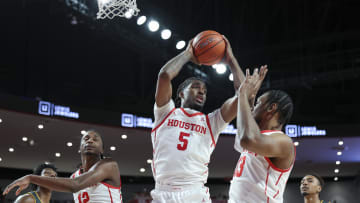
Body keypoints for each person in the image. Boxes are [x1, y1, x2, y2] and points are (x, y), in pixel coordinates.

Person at [150, 35, 256, 203]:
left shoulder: (212, 122)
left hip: (194, 192)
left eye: (205, 91)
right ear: (181, 93)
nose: (201, 92)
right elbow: (164, 76)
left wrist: (231, 60)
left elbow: (243, 95)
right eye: (195, 87)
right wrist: (187, 53)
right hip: (163, 192)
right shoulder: (166, 112)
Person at [228, 68, 296, 203]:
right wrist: (248, 97)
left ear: (271, 108)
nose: (253, 108)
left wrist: (243, 95)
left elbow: (247, 139)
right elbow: (243, 138)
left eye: (258, 103)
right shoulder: (257, 139)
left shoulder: (283, 141)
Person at [3, 130, 123, 203]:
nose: (90, 141)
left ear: (102, 149)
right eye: (86, 139)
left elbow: (75, 185)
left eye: (95, 139)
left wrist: (30, 177)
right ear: (80, 148)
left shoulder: (109, 165)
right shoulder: (74, 176)